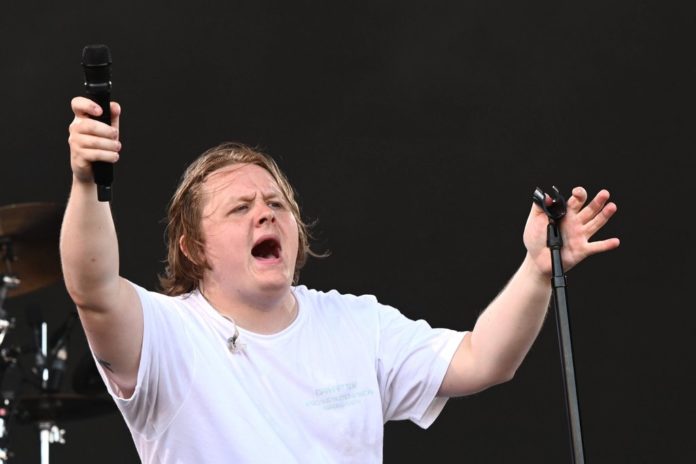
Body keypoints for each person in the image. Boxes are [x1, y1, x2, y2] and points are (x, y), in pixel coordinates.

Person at [61, 96, 620, 463]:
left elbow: (483, 360)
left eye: (277, 203)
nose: (266, 214)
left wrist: (537, 270)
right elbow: (93, 289)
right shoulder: (166, 334)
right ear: (191, 245)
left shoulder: (355, 323)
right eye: (239, 209)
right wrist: (88, 182)